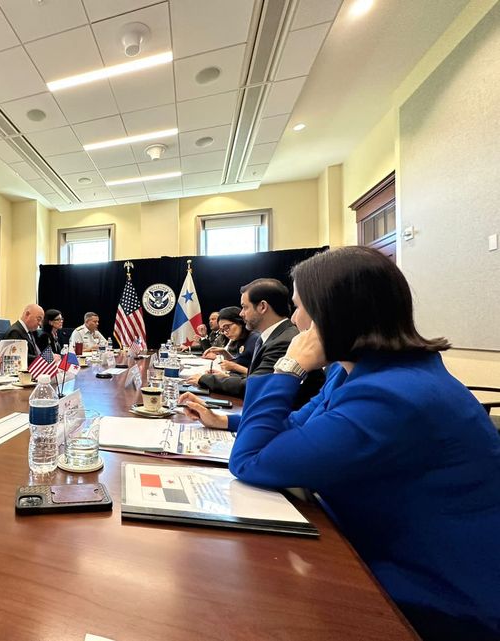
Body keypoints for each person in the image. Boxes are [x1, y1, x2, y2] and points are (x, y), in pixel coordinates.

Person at [183, 247, 500, 640]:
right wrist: (228, 419)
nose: (295, 320)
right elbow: (298, 424)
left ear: (330, 315)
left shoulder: (394, 397)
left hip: (435, 595)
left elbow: (251, 461)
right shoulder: (357, 372)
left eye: (299, 308)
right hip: (369, 544)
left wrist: (288, 367)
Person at [190, 279, 300, 399]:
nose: (241, 314)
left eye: (244, 307)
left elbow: (256, 386)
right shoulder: (272, 336)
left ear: (262, 307)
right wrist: (225, 378)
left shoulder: (284, 341)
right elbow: (254, 376)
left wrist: (205, 379)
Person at [201, 306, 260, 375]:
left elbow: (261, 375)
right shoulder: (240, 339)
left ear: (239, 321)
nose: (225, 333)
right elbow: (240, 362)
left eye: (227, 327)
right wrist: (224, 353)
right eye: (222, 330)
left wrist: (234, 367)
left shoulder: (255, 339)